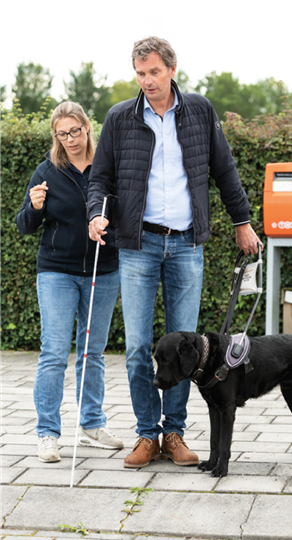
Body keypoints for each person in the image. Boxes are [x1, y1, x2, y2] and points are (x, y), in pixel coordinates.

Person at [87, 37, 263, 469]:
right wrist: (96, 213)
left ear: (172, 69)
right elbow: (100, 179)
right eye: (140, 73)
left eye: (154, 72)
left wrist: (242, 222)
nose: (147, 81)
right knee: (137, 347)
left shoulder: (200, 110)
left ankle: (174, 432)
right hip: (138, 245)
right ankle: (147, 435)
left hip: (186, 244)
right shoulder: (119, 118)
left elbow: (224, 170)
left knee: (191, 350)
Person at [16, 102, 124, 463]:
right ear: (55, 136)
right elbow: (25, 226)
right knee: (54, 352)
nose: (70, 139)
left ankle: (92, 424)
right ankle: (47, 433)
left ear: (87, 127)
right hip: (57, 272)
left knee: (92, 352)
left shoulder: (106, 166)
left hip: (103, 269)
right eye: (62, 134)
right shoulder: (47, 170)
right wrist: (33, 206)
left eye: (74, 131)